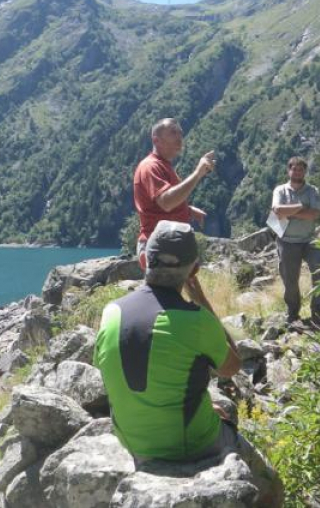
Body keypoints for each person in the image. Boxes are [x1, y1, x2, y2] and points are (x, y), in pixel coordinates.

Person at [94, 220, 283, 506]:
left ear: (144, 259)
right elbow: (231, 367)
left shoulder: (111, 313)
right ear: (194, 270)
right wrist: (203, 300)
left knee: (212, 405)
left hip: (133, 442)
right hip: (189, 446)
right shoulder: (195, 320)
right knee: (271, 484)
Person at [133, 118, 215, 269]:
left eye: (180, 133)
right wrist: (198, 173)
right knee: (166, 290)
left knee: (184, 285)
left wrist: (188, 210)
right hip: (159, 244)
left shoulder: (164, 166)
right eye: (173, 132)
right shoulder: (150, 167)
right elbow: (166, 202)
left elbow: (160, 204)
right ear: (156, 140)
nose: (179, 137)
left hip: (172, 243)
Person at [271, 156, 320, 326]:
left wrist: (289, 212)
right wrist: (301, 208)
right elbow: (277, 210)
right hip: (286, 241)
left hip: (309, 240)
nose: (297, 172)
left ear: (305, 172)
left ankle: (319, 311)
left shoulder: (313, 191)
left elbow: (315, 214)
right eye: (294, 169)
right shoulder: (280, 190)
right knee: (290, 280)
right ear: (289, 170)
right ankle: (293, 313)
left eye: (301, 169)